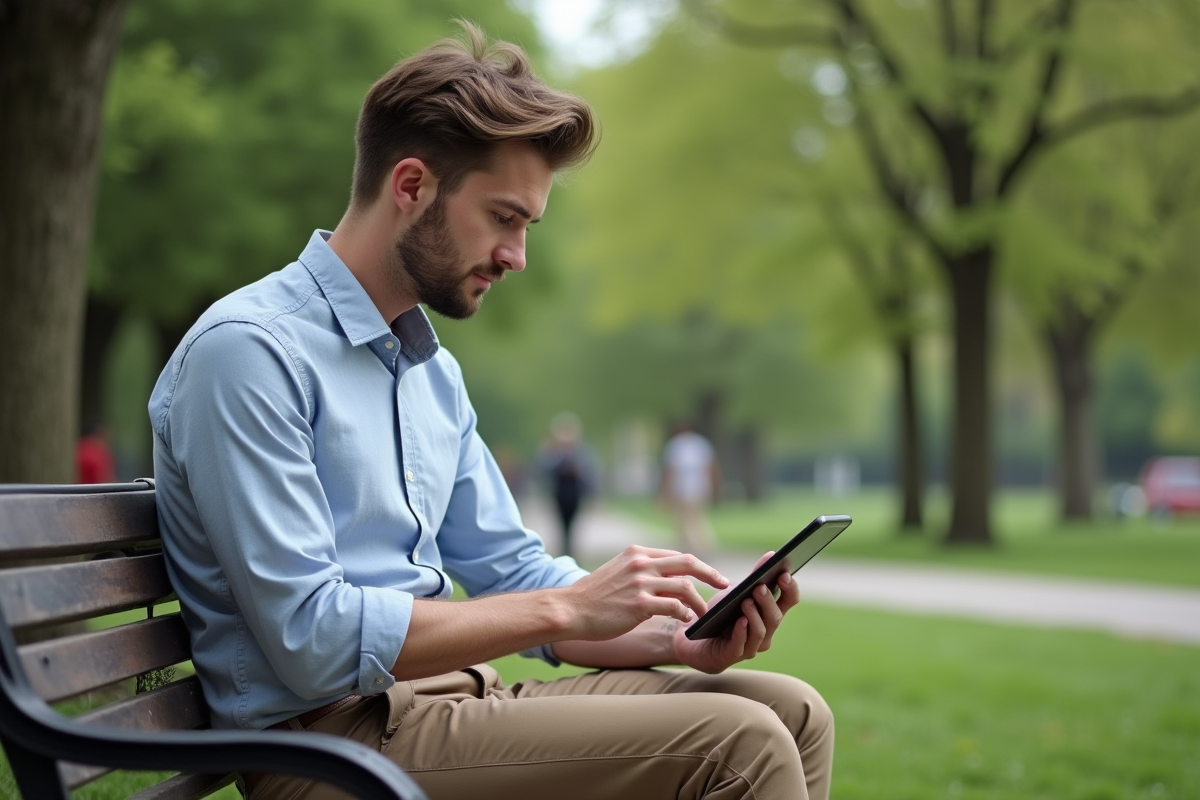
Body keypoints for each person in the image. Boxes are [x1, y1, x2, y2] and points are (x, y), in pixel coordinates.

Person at [148, 23, 833, 800]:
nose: (518, 256)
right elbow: (311, 638)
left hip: (455, 708)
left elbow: (515, 572)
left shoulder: (430, 373)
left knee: (793, 711)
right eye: (504, 218)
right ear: (411, 187)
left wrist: (679, 637)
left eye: (527, 227)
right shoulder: (250, 353)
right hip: (329, 751)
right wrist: (567, 605)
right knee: (737, 744)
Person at [538, 412, 594, 560]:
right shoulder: (552, 452)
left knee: (572, 526)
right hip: (559, 494)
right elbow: (545, 470)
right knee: (561, 526)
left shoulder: (581, 453)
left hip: (574, 494)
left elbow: (588, 474)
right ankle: (565, 552)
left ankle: (570, 552)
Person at [661, 422, 720, 559]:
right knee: (695, 520)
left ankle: (699, 549)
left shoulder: (676, 445)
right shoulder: (702, 444)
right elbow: (710, 468)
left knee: (685, 523)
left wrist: (666, 491)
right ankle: (689, 549)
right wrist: (714, 487)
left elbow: (672, 471)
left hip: (683, 490)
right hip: (701, 489)